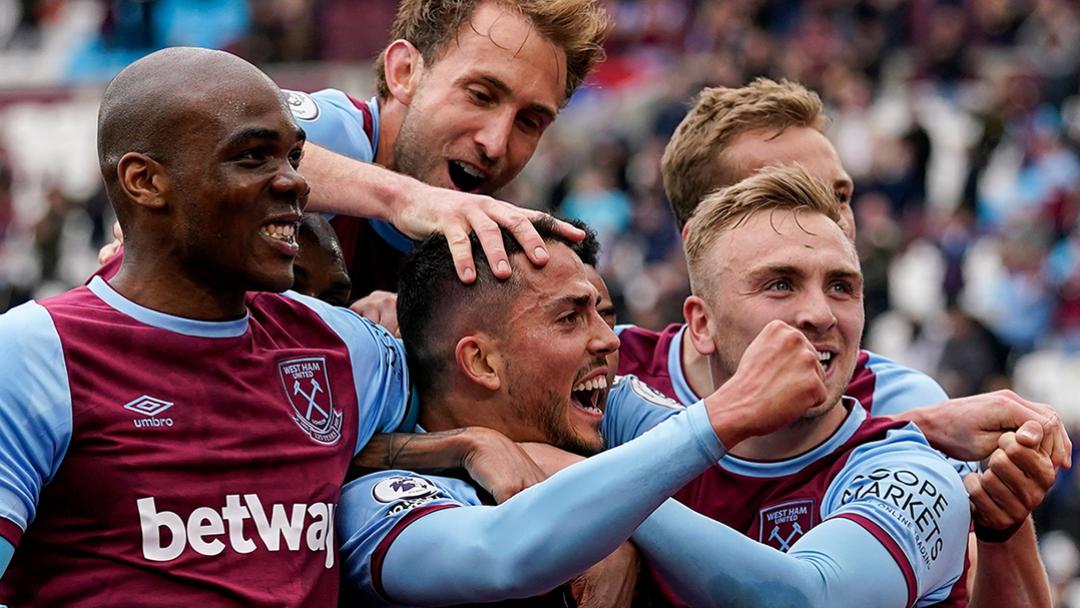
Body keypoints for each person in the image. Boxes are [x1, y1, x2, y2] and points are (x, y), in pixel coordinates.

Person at [0, 47, 547, 606]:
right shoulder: (35, 353)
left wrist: (462, 445)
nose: (296, 184)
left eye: (293, 157)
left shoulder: (341, 343)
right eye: (253, 157)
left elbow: (512, 395)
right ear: (144, 181)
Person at [616, 79, 1063, 605]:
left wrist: (599, 492)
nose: (829, 221)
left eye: (841, 196)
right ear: (702, 238)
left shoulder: (903, 405)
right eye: (780, 192)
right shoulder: (612, 372)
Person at [336, 217, 835, 606]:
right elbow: (502, 552)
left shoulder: (609, 416)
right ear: (482, 361)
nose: (609, 339)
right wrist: (725, 413)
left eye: (602, 313)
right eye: (570, 317)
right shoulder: (371, 504)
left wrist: (582, 482)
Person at [537, 166, 976, 606]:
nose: (821, 314)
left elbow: (807, 600)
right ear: (702, 324)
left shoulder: (919, 476)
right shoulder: (627, 413)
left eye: (842, 287)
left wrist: (576, 480)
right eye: (781, 284)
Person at [285, 0, 611, 304]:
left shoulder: (489, 254)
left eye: (528, 122)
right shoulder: (337, 132)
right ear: (404, 72)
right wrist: (405, 198)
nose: (495, 144)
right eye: (481, 96)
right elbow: (240, 145)